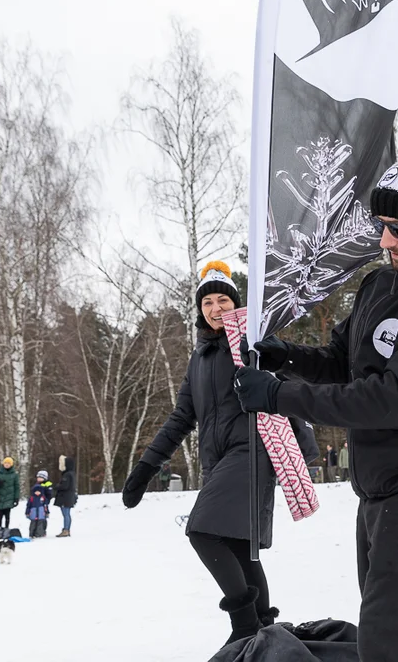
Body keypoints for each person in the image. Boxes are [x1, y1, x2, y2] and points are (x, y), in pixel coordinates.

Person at [232, 120, 398, 662]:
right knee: (397, 632)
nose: (384, 240)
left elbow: (388, 399)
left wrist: (278, 396)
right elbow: (342, 363)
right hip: (377, 486)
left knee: (385, 642)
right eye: (382, 225)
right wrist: (284, 357)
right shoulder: (381, 283)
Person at [122, 260, 318, 647]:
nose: (216, 308)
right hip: (219, 462)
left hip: (253, 451)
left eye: (223, 300)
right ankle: (264, 633)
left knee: (202, 531)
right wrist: (146, 466)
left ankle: (245, 626)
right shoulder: (198, 360)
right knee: (238, 549)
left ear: (235, 304)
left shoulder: (250, 342)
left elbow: (285, 381)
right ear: (200, 309)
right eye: (208, 302)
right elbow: (181, 417)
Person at [0, 457, 21, 534]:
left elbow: (17, 486)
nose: (7, 465)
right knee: (0, 514)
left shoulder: (14, 475)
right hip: (0, 497)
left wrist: (16, 498)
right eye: (5, 463)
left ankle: (6, 528)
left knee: (7, 515)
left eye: (8, 463)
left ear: (11, 465)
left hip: (10, 497)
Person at [53, 455, 77, 538]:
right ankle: (66, 529)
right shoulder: (72, 474)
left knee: (66, 514)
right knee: (67, 514)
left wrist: (56, 486)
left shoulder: (67, 475)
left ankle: (66, 529)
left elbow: (64, 486)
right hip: (69, 497)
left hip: (65, 497)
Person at [26, 471, 53, 538]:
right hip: (35, 503)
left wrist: (46, 501)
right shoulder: (36, 485)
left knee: (42, 520)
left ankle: (41, 532)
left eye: (41, 478)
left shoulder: (47, 484)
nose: (39, 479)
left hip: (43, 502)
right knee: (35, 520)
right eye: (38, 477)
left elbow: (49, 494)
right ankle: (34, 532)